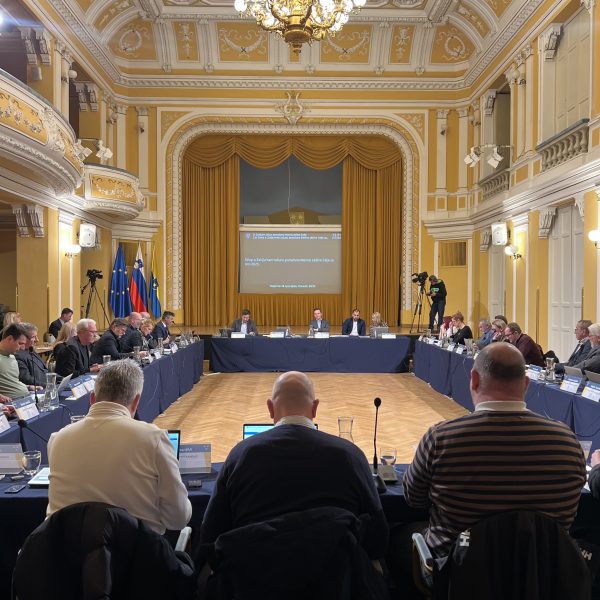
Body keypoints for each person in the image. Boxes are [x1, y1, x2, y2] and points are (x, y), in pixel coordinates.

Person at [395, 343, 585, 568]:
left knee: (396, 536)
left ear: (474, 380)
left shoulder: (442, 438)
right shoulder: (567, 441)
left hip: (457, 571)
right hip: (543, 571)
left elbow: (414, 498)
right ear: (526, 384)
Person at [200, 371, 388, 560]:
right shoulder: (351, 456)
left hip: (251, 576)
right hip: (338, 577)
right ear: (315, 408)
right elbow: (378, 537)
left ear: (270, 408)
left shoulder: (239, 456)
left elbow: (211, 535)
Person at [47, 360, 192, 535]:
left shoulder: (57, 439)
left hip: (64, 549)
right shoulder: (154, 438)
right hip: (135, 550)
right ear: (136, 401)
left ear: (92, 399)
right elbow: (177, 520)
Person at [0, 324, 30, 399]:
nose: (23, 348)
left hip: (25, 399)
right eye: (20, 343)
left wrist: (29, 387)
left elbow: (12, 383)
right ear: (9, 339)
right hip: (9, 403)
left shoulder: (12, 356)